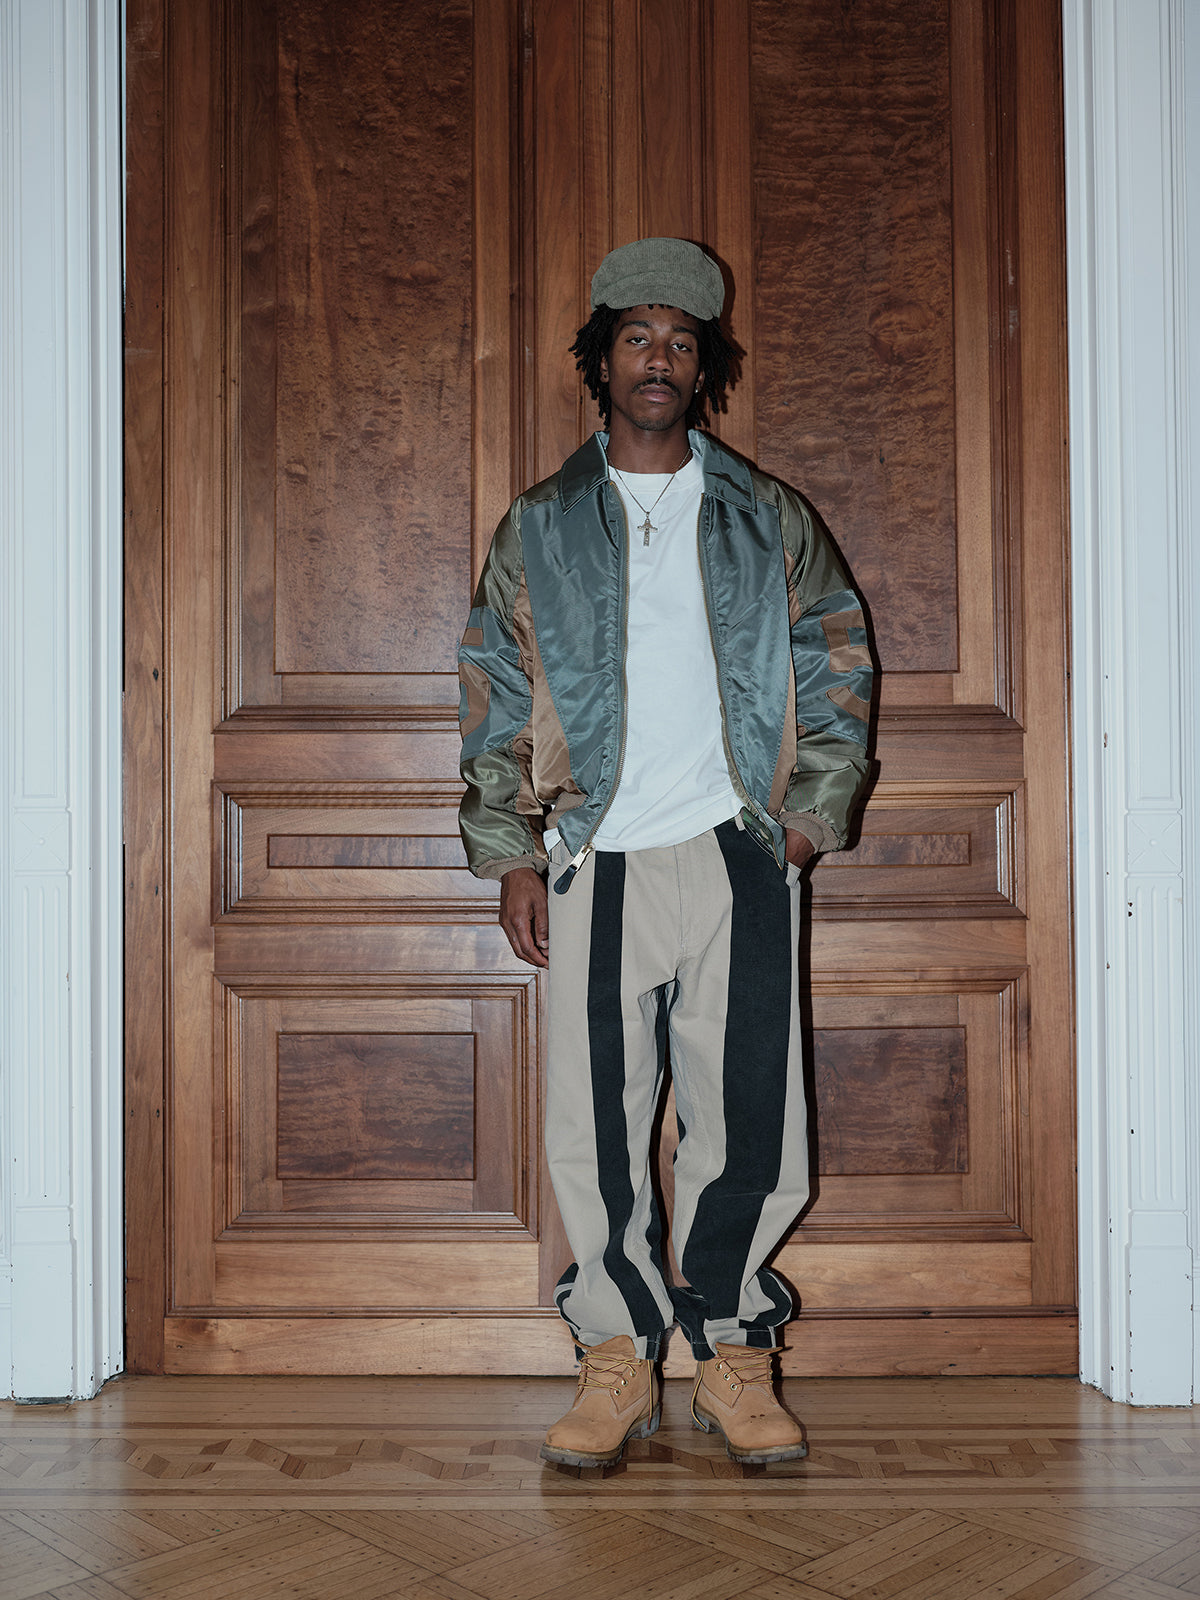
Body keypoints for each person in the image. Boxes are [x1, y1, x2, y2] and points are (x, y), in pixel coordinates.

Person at [458, 237, 872, 1467]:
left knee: (749, 1119)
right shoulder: (540, 524)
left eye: (682, 342)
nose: (659, 359)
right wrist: (511, 852)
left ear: (705, 368)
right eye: (637, 337)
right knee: (597, 1124)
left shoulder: (765, 515)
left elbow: (836, 660)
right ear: (602, 359)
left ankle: (735, 1352)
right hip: (597, 854)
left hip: (738, 848)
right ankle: (618, 1357)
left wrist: (808, 817)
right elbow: (493, 689)